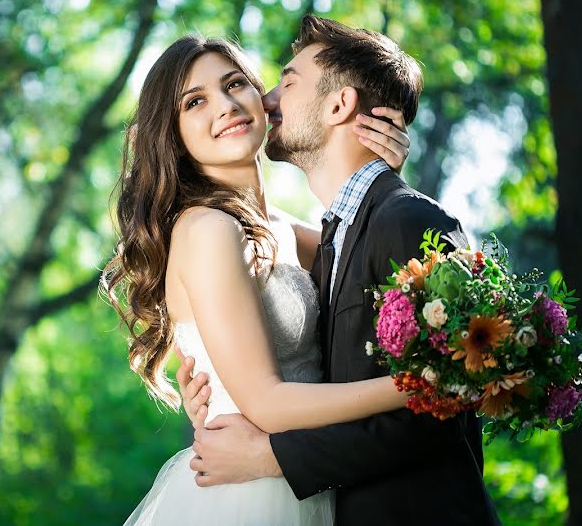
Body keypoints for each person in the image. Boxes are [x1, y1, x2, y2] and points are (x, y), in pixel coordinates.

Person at [177, 16, 501, 525]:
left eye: (284, 83)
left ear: (338, 105)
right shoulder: (326, 237)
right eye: (194, 100)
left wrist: (269, 456)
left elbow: (439, 411)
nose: (264, 102)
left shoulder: (393, 220)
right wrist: (212, 386)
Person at [101, 30, 413, 525]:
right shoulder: (208, 229)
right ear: (173, 134)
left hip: (319, 480)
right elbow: (267, 402)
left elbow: (368, 249)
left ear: (263, 99)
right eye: (195, 102)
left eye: (234, 84)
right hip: (253, 492)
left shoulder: (285, 230)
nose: (225, 106)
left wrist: (380, 168)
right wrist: (414, 386)